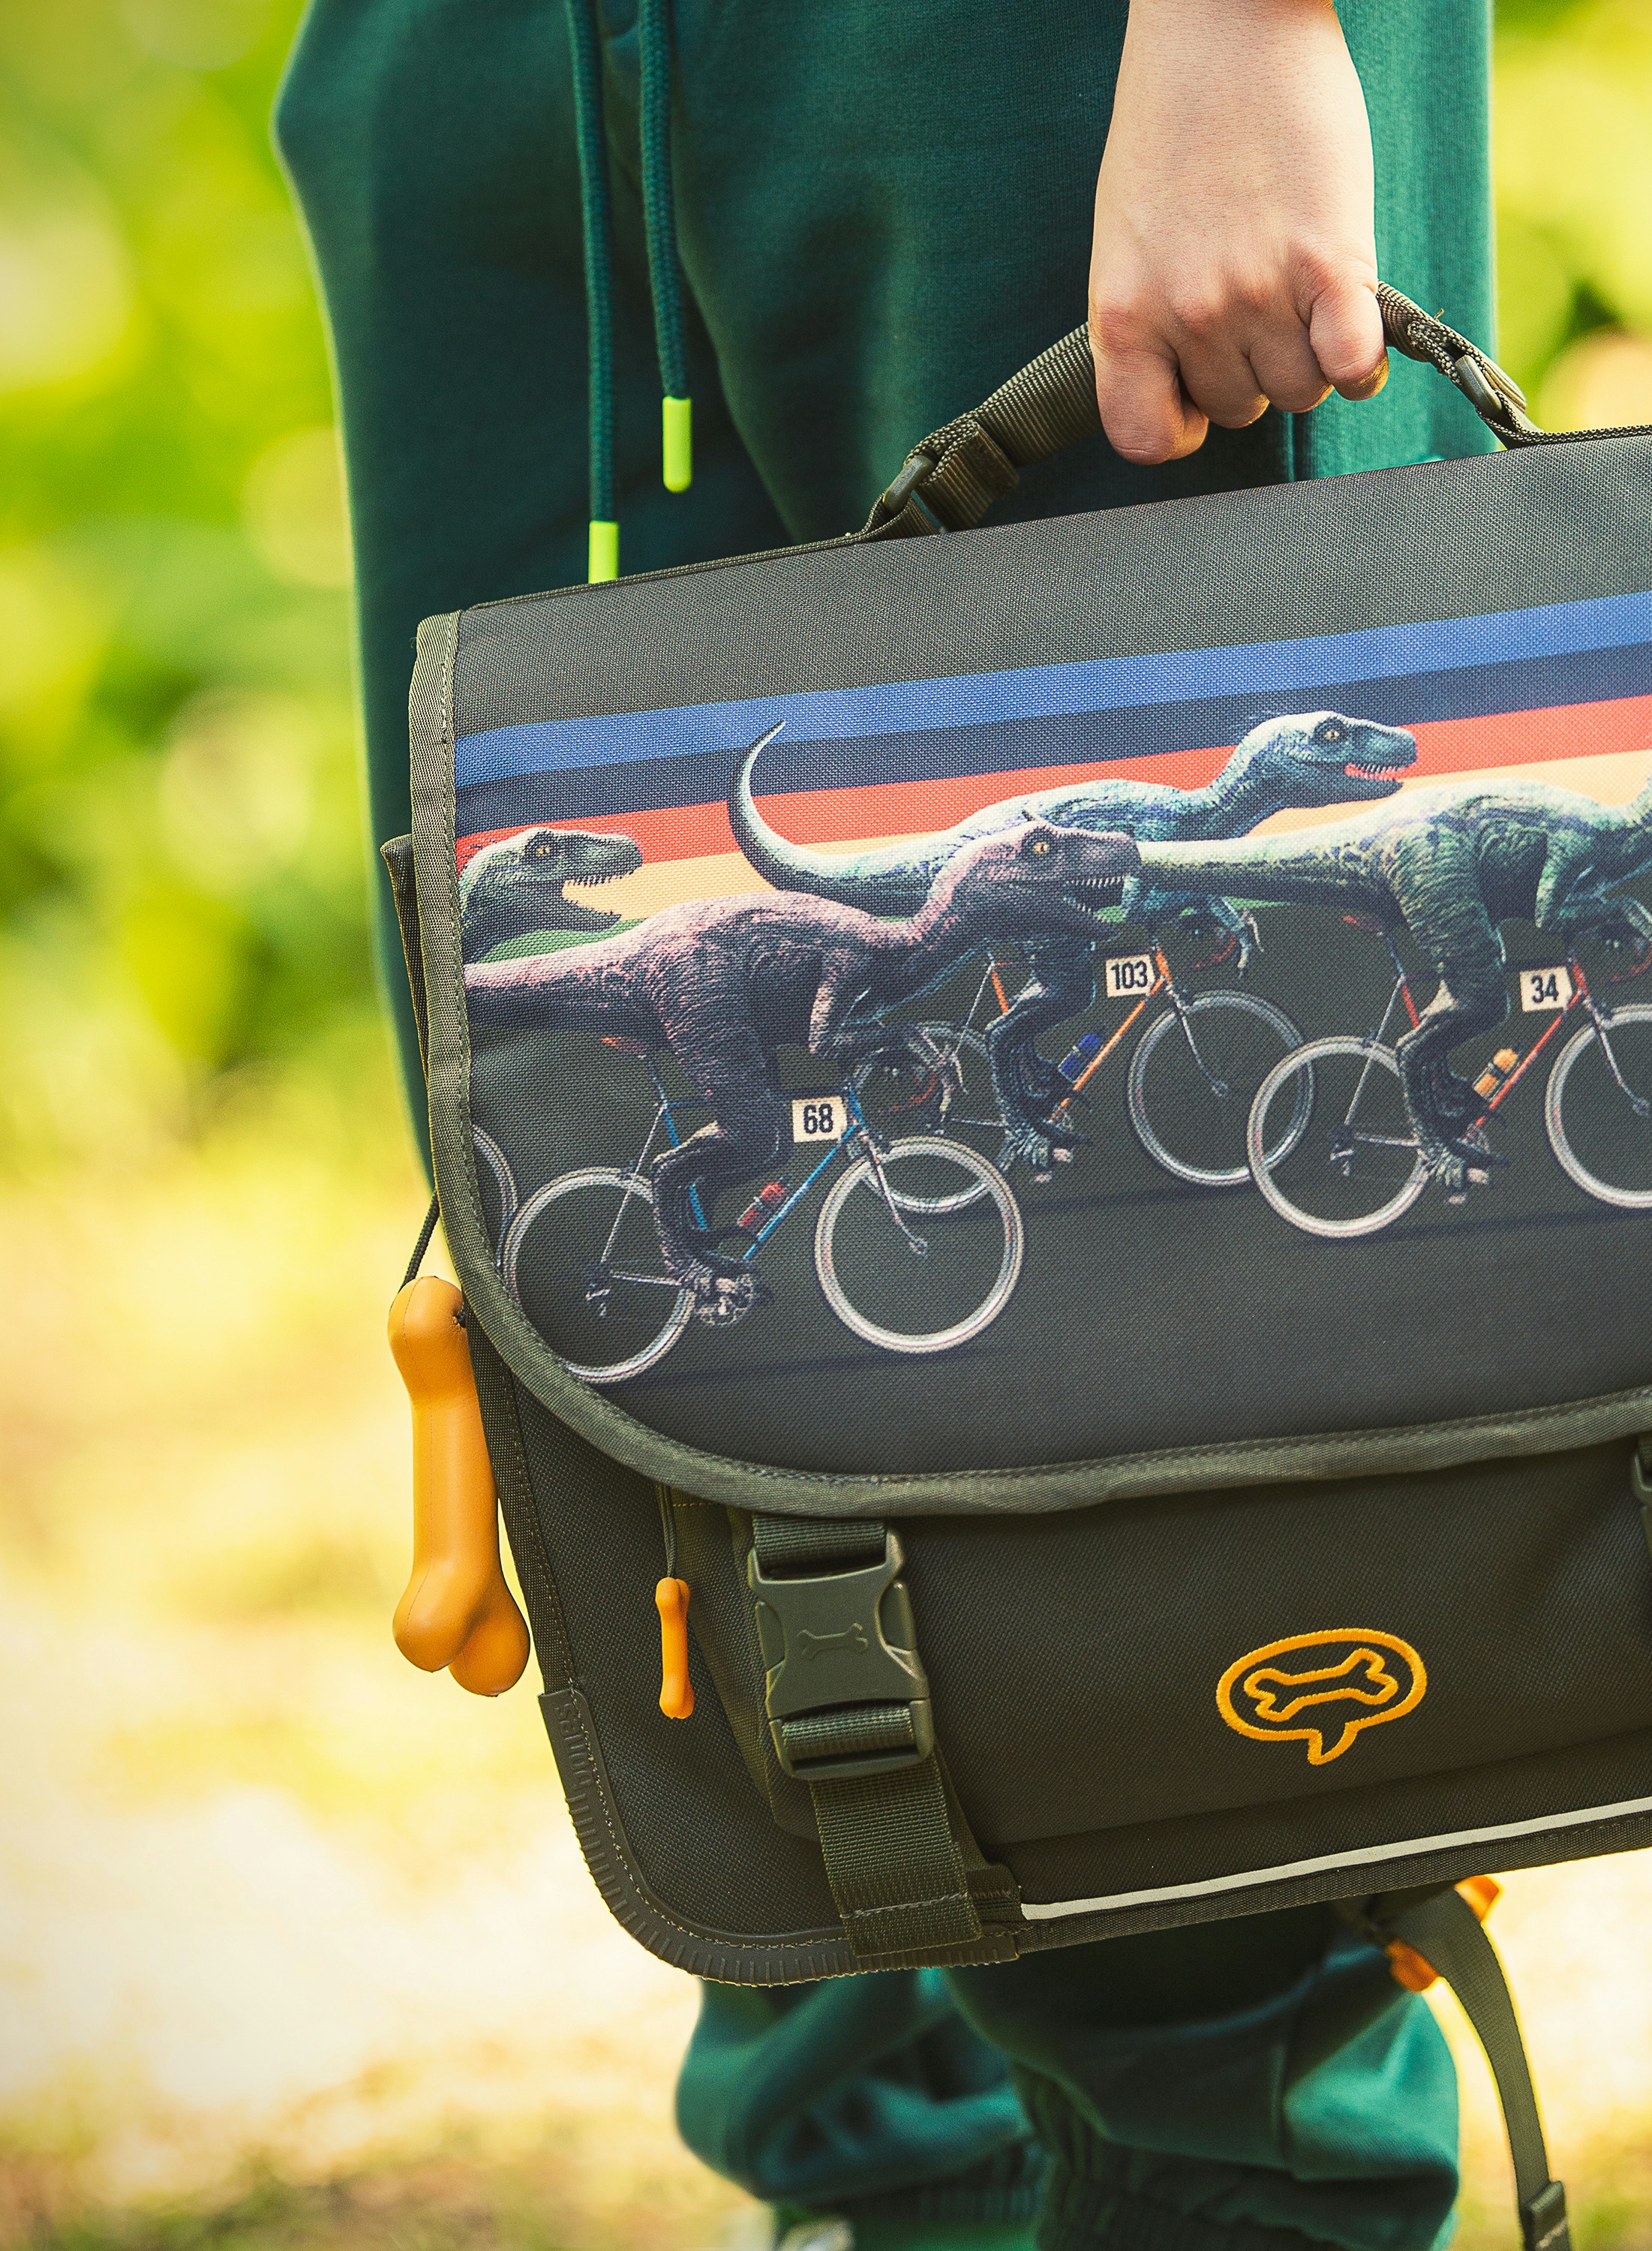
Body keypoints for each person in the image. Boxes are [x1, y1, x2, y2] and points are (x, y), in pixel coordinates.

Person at [277, 5, 1498, 2246]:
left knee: (1155, 1288)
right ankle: (880, 2161)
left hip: (1033, 58)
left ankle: (1243, 2179)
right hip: (483, 65)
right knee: (597, 1159)